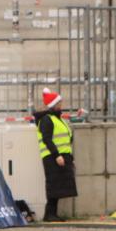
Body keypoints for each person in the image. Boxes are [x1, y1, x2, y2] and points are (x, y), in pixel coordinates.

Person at [33, 87, 77, 222]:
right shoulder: (47, 120)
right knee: (53, 184)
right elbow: (47, 139)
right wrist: (57, 155)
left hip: (62, 156)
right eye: (59, 103)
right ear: (53, 105)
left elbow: (66, 139)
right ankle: (49, 214)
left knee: (59, 186)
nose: (61, 105)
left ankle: (52, 214)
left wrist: (70, 157)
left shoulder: (58, 119)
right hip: (52, 157)